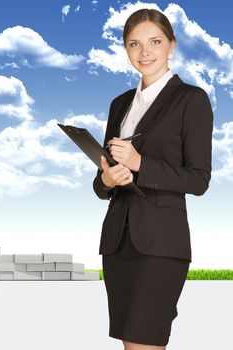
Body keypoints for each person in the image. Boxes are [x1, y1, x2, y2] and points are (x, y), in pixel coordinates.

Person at [92, 8, 213, 350]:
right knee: (131, 343)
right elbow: (100, 184)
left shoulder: (191, 99)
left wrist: (141, 163)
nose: (144, 53)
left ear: (171, 45)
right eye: (134, 44)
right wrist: (108, 180)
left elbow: (199, 179)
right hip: (118, 242)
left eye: (155, 42)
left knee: (145, 341)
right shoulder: (120, 105)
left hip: (161, 243)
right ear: (126, 50)